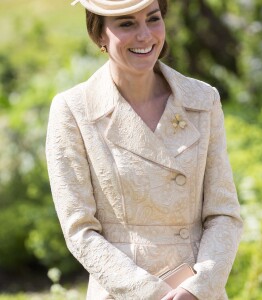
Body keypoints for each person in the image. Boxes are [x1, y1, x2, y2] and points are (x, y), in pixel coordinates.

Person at [46, 0, 243, 299]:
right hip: (122, 291)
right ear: (99, 34)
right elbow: (80, 231)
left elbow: (223, 214)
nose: (145, 35)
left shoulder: (203, 100)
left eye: (153, 19)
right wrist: (149, 293)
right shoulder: (74, 111)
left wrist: (198, 287)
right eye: (127, 24)